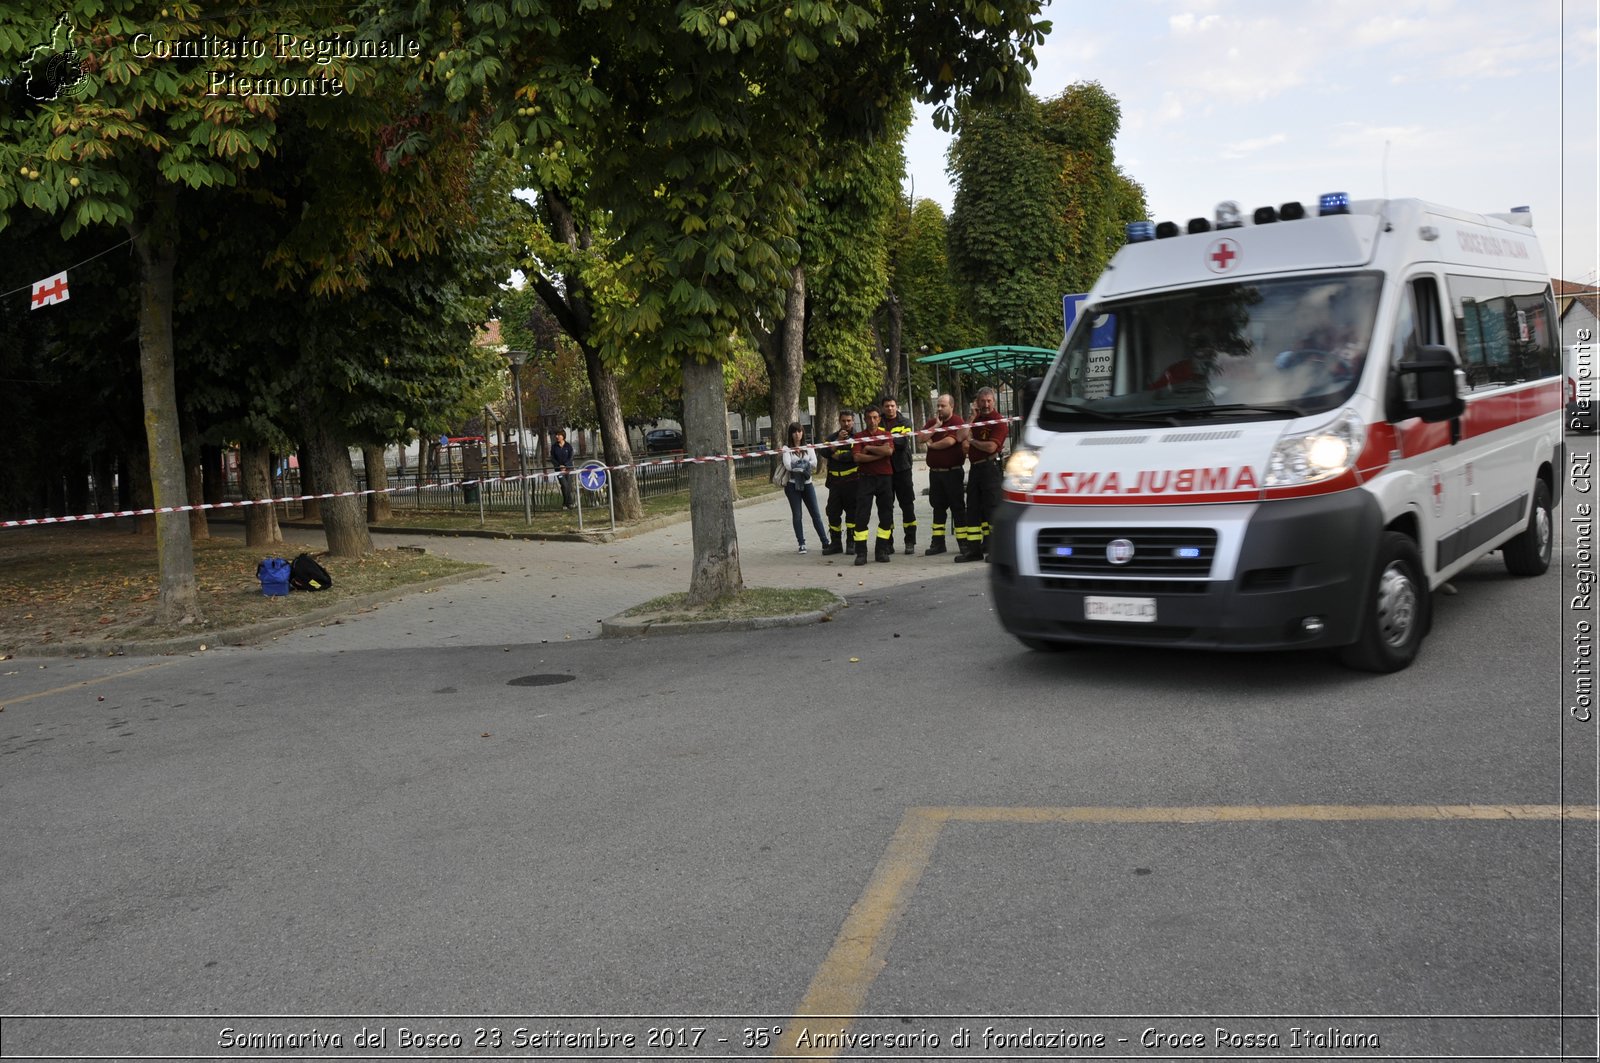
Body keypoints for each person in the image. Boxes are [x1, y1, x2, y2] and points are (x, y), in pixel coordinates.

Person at [956, 386, 1008, 562]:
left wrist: (972, 441)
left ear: (994, 401)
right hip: (975, 469)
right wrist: (971, 418)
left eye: (989, 401)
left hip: (990, 468)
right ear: (977, 402)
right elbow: (959, 436)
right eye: (982, 401)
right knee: (972, 509)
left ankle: (998, 550)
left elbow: (991, 447)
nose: (985, 404)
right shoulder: (976, 419)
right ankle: (974, 550)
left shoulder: (998, 421)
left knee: (992, 510)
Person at [920, 393, 966, 555]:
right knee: (938, 508)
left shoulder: (957, 422)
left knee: (957, 508)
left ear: (951, 406)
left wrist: (931, 445)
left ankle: (963, 543)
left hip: (952, 473)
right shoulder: (933, 422)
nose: (939, 408)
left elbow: (950, 441)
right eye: (938, 405)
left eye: (942, 405)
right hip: (936, 474)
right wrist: (935, 428)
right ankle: (938, 543)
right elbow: (921, 438)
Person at [851, 405, 896, 566]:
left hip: (885, 478)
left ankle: (881, 550)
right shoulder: (858, 436)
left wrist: (869, 448)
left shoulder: (886, 434)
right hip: (866, 479)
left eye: (875, 417)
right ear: (864, 419)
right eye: (869, 418)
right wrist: (879, 454)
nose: (872, 421)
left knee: (886, 515)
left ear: (879, 418)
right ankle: (861, 553)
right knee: (862, 516)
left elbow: (889, 452)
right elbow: (857, 458)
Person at [779, 422, 830, 554]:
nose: (797, 434)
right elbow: (788, 466)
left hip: (807, 484)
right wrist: (803, 465)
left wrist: (800, 465)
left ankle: (825, 541)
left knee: (816, 514)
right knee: (797, 515)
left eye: (800, 431)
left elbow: (814, 463)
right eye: (795, 432)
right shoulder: (786, 448)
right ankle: (801, 543)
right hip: (792, 485)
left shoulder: (808, 447)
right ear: (791, 434)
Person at [879, 396, 917, 554]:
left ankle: (910, 541)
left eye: (892, 405)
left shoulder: (905, 422)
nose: (889, 408)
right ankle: (888, 543)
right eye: (887, 406)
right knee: (886, 507)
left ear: (897, 406)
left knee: (907, 506)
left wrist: (883, 444)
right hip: (884, 471)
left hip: (902, 469)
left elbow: (902, 444)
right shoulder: (877, 421)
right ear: (882, 408)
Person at [820, 409, 859, 556]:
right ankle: (836, 544)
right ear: (839, 421)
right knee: (832, 512)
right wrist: (837, 442)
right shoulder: (832, 437)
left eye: (849, 421)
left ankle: (851, 543)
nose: (846, 423)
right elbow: (823, 452)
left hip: (852, 482)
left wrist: (837, 456)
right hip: (835, 483)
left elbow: (855, 456)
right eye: (843, 421)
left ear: (853, 421)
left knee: (852, 514)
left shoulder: (857, 437)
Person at [550, 430, 575, 508]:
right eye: (556, 435)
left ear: (563, 436)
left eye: (558, 435)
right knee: (564, 485)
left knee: (568, 486)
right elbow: (552, 459)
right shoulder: (554, 447)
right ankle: (570, 502)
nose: (557, 436)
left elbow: (571, 457)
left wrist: (565, 466)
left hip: (568, 469)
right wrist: (559, 466)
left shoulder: (568, 446)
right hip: (559, 470)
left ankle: (565, 503)